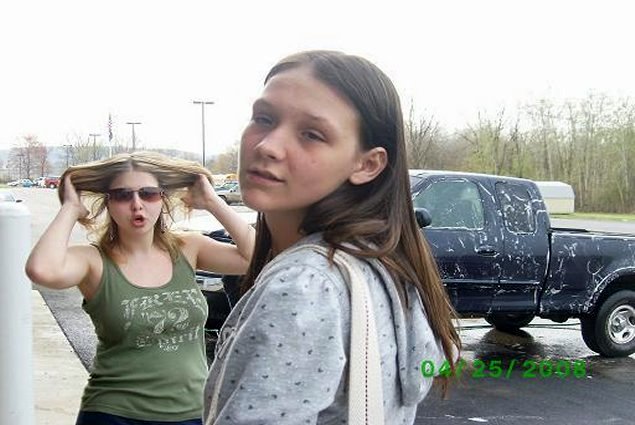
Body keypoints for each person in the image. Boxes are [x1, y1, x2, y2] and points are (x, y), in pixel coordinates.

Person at [203, 50, 461, 424]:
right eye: (264, 118)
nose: (267, 146)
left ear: (367, 164)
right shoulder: (379, 262)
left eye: (312, 134)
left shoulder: (306, 284)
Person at [25, 151, 255, 425]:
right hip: (114, 415)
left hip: (191, 413)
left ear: (162, 199)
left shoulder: (188, 248)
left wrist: (212, 202)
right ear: (108, 203)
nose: (137, 205)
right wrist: (70, 209)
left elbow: (257, 256)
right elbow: (42, 270)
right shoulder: (93, 260)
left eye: (148, 194)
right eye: (123, 195)